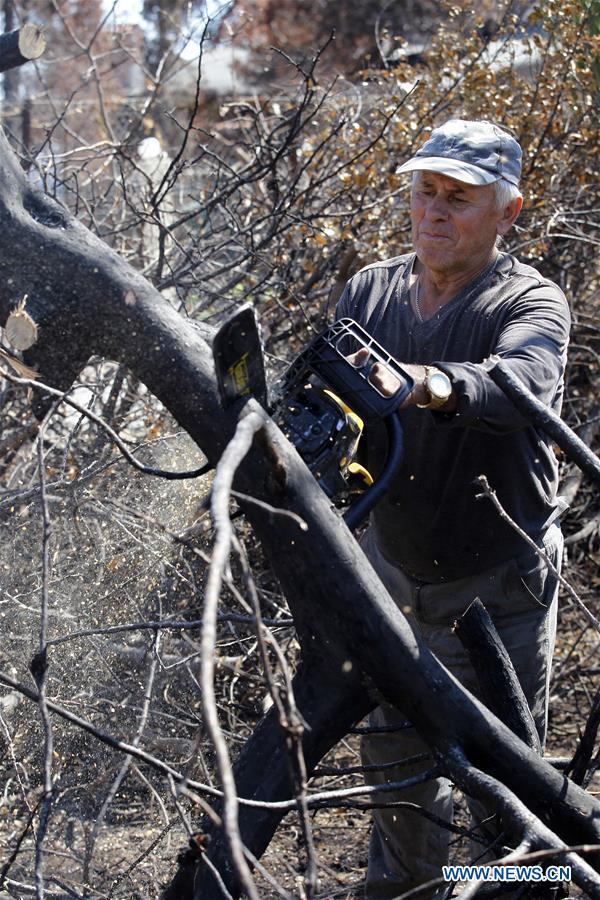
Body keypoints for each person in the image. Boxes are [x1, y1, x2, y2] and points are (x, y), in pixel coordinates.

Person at [335, 119, 571, 899]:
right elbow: (327, 401)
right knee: (398, 779)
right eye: (424, 193)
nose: (434, 213)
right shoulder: (369, 290)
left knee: (507, 792)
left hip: (495, 582)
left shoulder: (529, 302)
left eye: (458, 199)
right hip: (395, 578)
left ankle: (497, 889)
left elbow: (518, 388)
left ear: (508, 212)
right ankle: (413, 892)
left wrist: (426, 384)